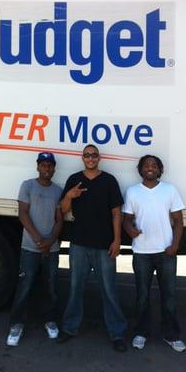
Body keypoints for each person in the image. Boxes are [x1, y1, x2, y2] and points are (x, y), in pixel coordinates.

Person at [57, 144, 127, 352]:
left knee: (109, 290)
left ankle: (117, 333)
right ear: (82, 158)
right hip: (79, 244)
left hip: (104, 246)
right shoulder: (73, 179)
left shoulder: (109, 181)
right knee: (75, 288)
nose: (90, 158)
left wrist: (117, 240)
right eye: (87, 155)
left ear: (99, 158)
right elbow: (63, 210)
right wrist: (69, 196)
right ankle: (69, 328)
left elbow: (117, 213)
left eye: (93, 155)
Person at [123, 155, 186, 352]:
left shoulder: (169, 190)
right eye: (146, 165)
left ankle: (172, 335)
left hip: (166, 252)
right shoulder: (133, 192)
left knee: (169, 296)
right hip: (141, 253)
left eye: (154, 165)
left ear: (160, 170)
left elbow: (178, 221)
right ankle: (141, 333)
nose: (150, 168)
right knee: (142, 296)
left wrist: (174, 245)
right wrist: (129, 230)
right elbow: (126, 219)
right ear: (140, 170)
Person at [6, 152, 63, 346]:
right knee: (24, 287)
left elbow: (59, 220)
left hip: (51, 248)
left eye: (50, 166)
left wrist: (50, 241)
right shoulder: (28, 185)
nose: (47, 169)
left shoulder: (58, 191)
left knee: (51, 287)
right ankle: (16, 324)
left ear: (54, 169)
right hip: (30, 247)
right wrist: (39, 240)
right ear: (38, 167)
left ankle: (50, 320)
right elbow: (23, 214)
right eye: (43, 165)